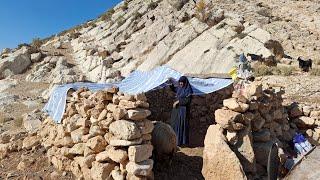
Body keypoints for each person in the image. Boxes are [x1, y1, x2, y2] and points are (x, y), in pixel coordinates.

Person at [168, 76, 193, 146]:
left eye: (182, 82)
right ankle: (174, 141)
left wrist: (178, 101)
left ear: (185, 83)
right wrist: (170, 83)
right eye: (180, 82)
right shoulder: (179, 88)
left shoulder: (188, 90)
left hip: (183, 112)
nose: (181, 84)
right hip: (176, 111)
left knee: (181, 126)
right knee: (174, 124)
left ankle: (181, 142)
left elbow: (187, 101)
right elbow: (174, 89)